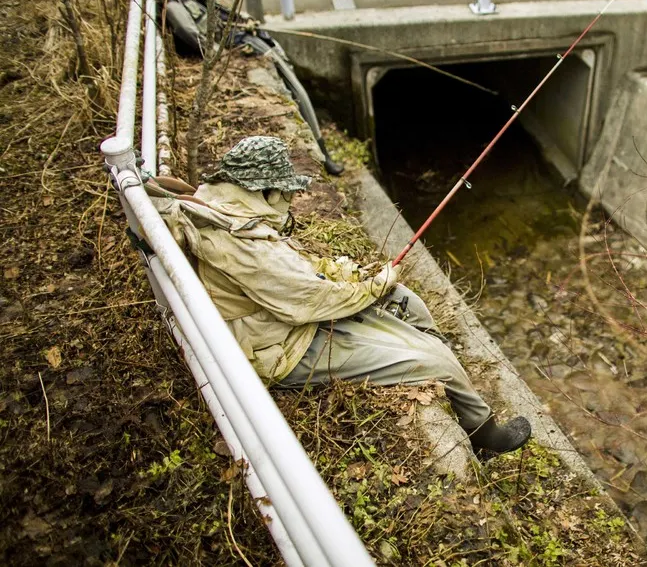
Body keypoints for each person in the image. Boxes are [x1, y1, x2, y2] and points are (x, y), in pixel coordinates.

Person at [154, 136, 531, 457]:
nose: (290, 201)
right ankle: (483, 434)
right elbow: (308, 299)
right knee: (435, 361)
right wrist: (373, 285)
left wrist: (353, 274)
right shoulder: (241, 242)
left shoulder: (229, 212)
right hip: (285, 349)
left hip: (284, 324)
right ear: (265, 191)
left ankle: (436, 365)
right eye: (286, 193)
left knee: (405, 301)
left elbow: (293, 275)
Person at [144, 0, 343, 176]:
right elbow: (191, 33)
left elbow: (215, 10)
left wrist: (242, 21)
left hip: (239, 33)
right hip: (235, 41)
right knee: (295, 87)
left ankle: (323, 150)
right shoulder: (172, 3)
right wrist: (220, 52)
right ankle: (323, 155)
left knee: (288, 71)